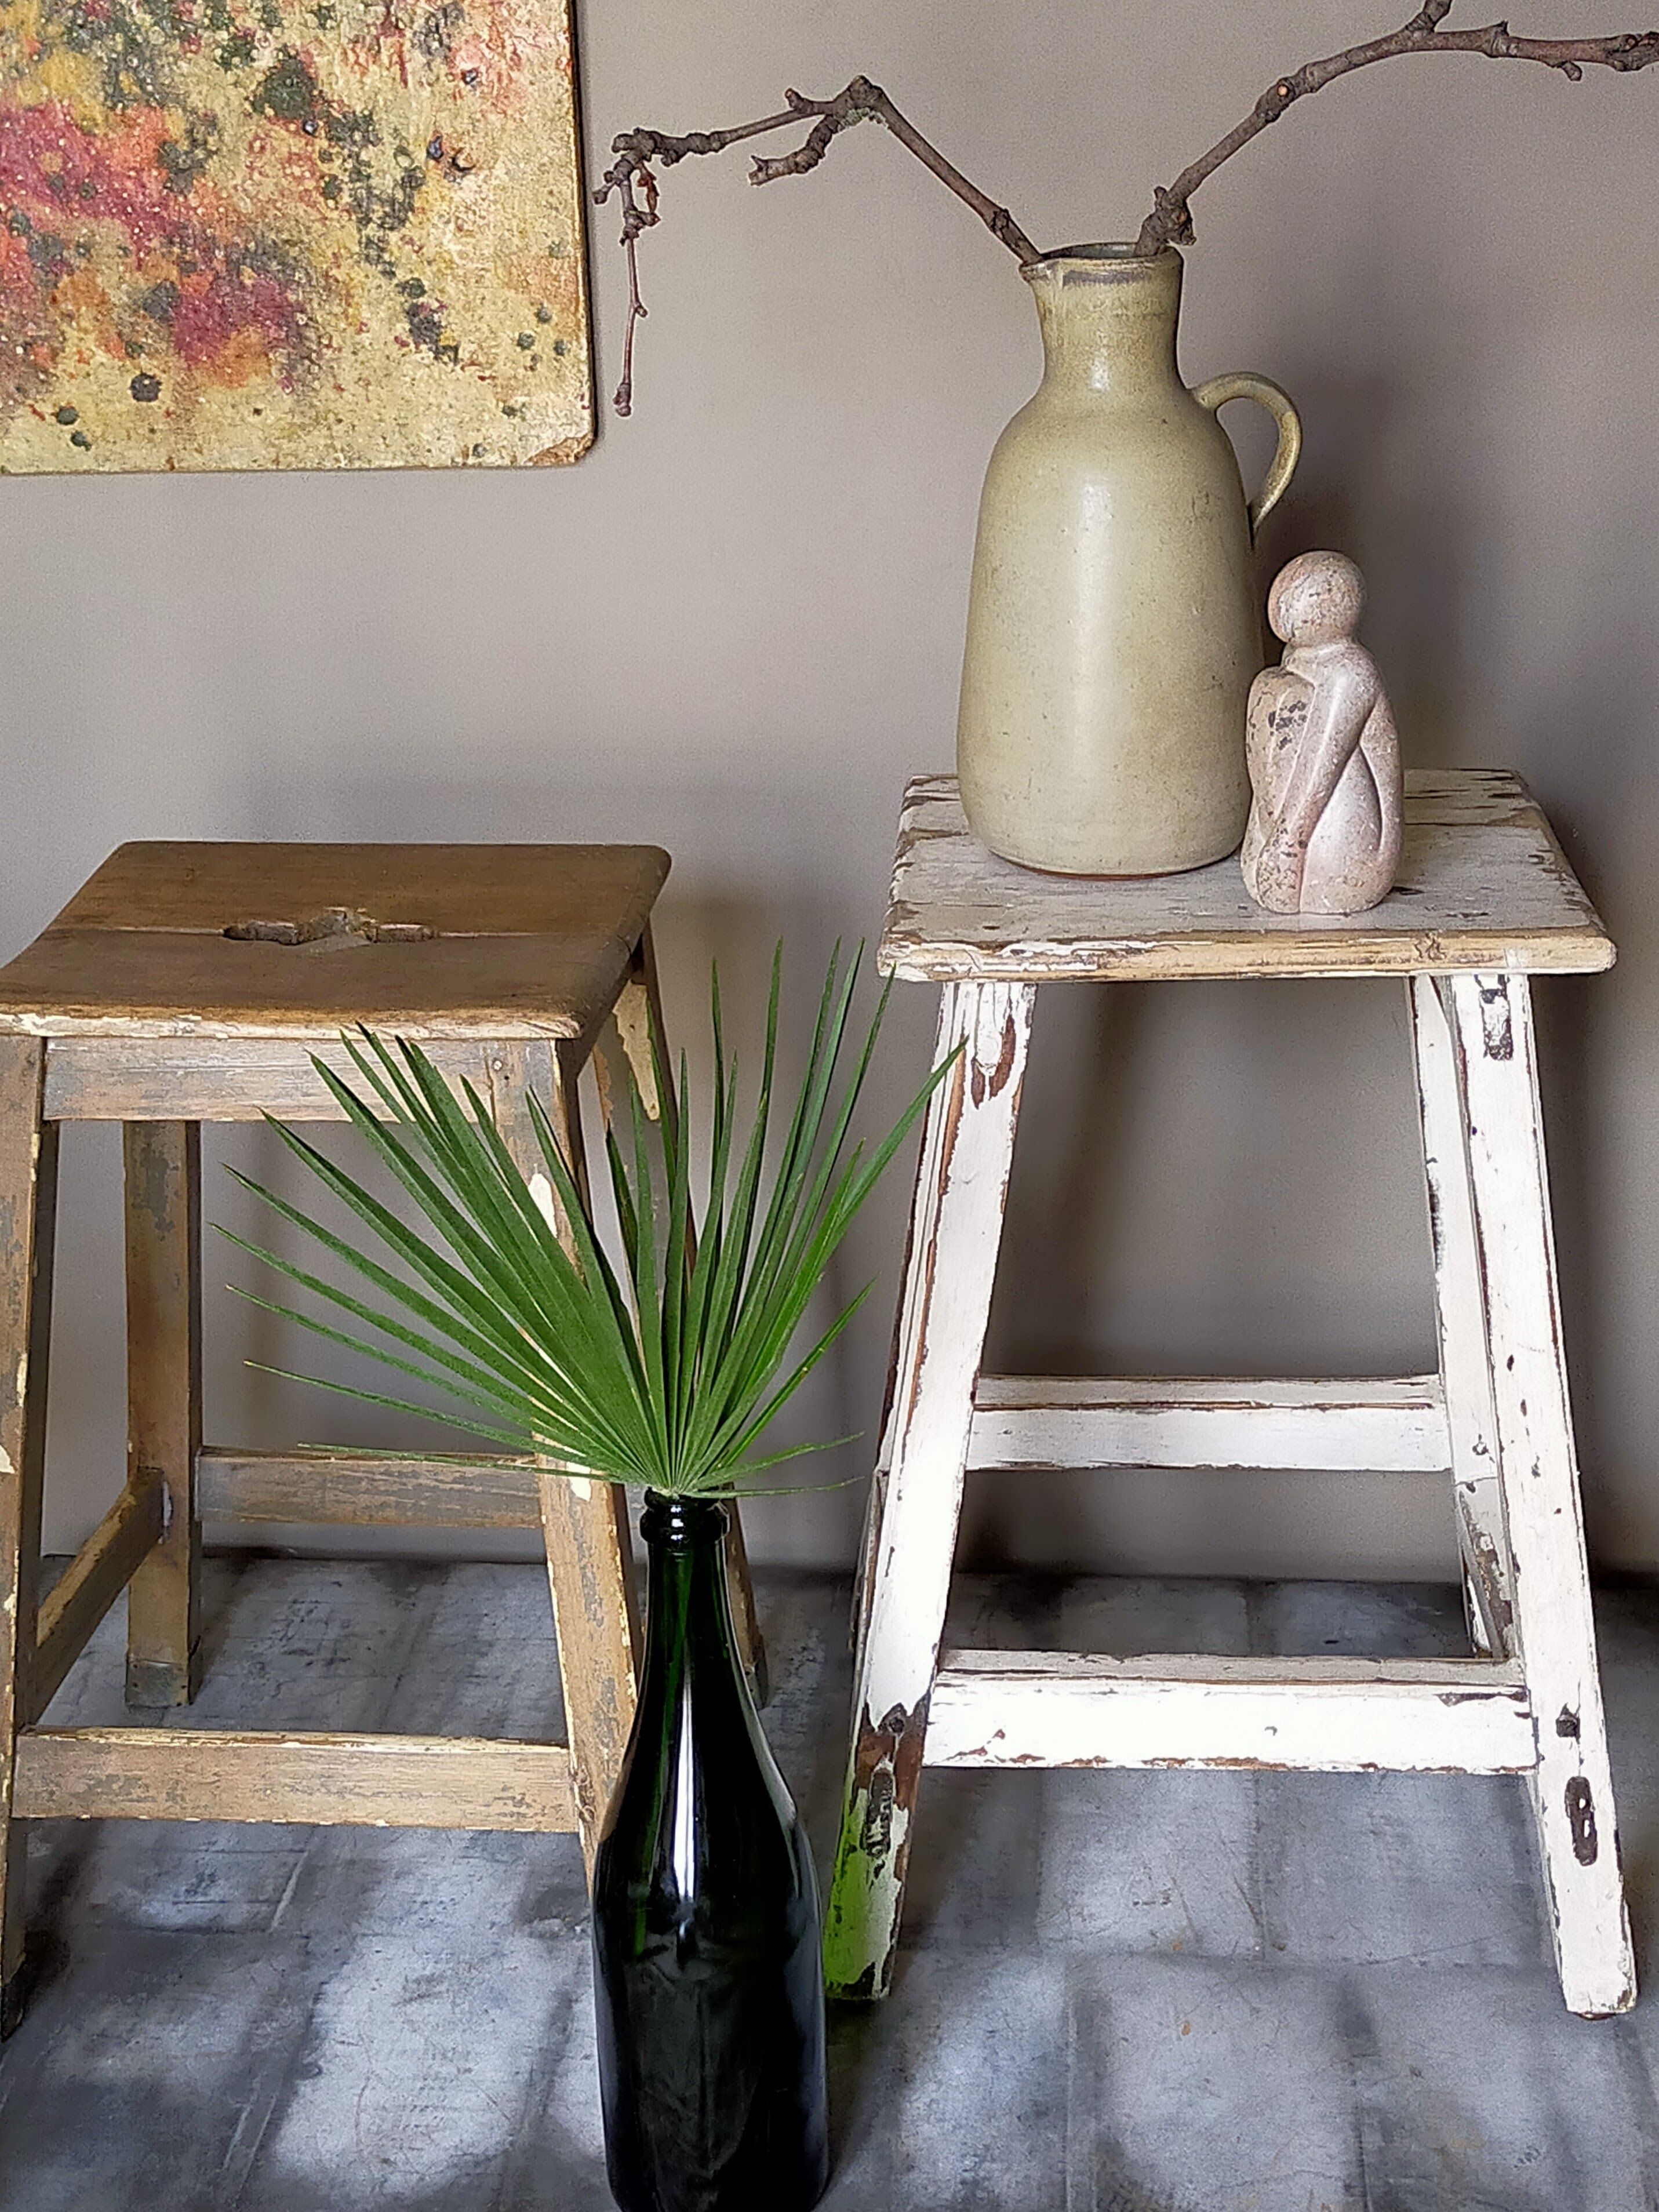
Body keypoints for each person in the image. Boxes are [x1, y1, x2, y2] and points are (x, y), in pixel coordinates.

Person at [1241, 551, 1402, 915]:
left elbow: (1322, 763)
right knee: (1273, 688)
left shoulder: (1350, 669)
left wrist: (1288, 846)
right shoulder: (1296, 659)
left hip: (1350, 843)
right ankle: (1273, 849)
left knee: (1288, 698)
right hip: (1286, 831)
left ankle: (1293, 861)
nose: (1284, 608)